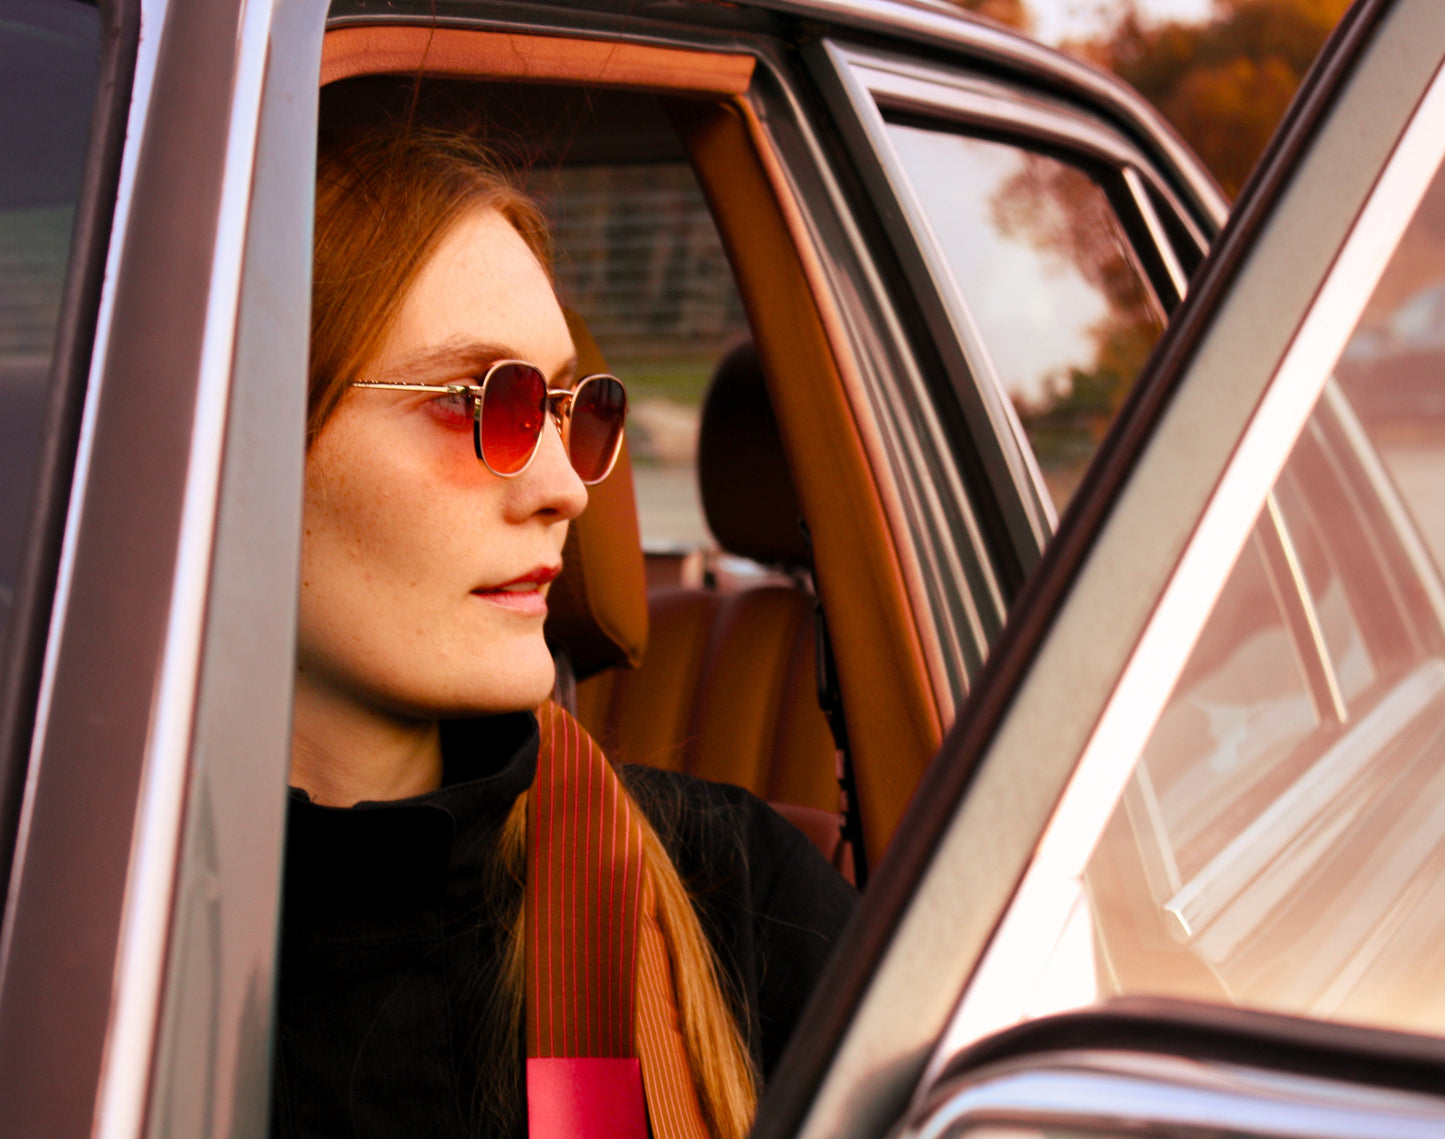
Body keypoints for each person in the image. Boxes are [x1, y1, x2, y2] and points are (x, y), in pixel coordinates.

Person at [269, 116, 855, 1139]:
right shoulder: (59, 899)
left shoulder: (737, 900)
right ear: (241, 429)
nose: (564, 489)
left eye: (566, 408)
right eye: (481, 402)